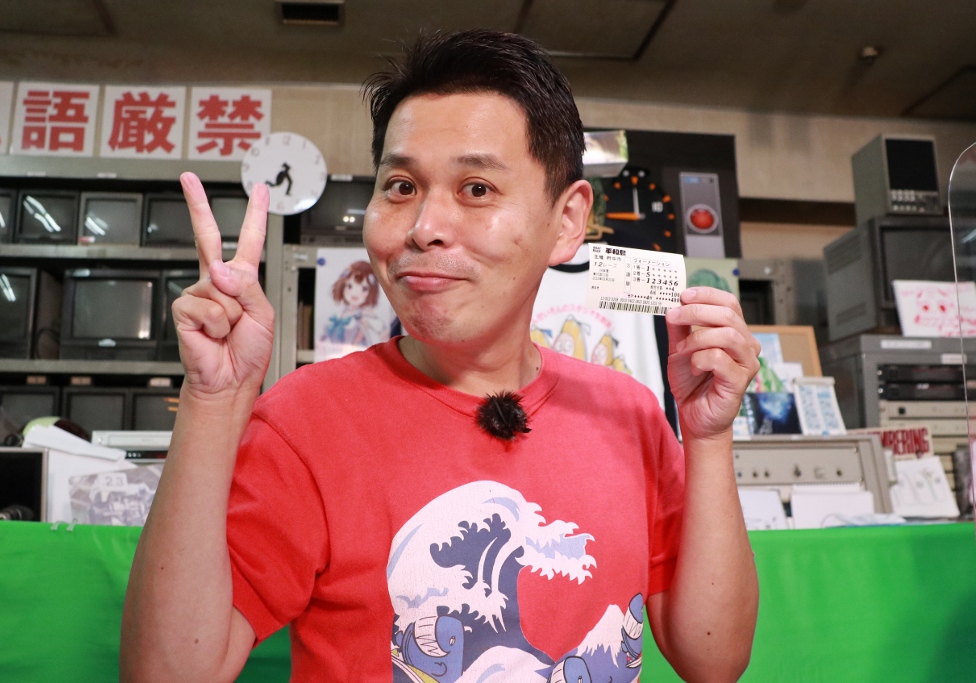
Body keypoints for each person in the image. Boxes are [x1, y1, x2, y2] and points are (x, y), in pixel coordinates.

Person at [121, 29, 760, 683]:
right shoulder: (305, 421)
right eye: (400, 186)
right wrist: (214, 401)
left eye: (476, 189)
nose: (424, 227)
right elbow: (168, 672)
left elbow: (713, 659)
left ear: (567, 221)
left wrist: (708, 437)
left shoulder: (627, 414)